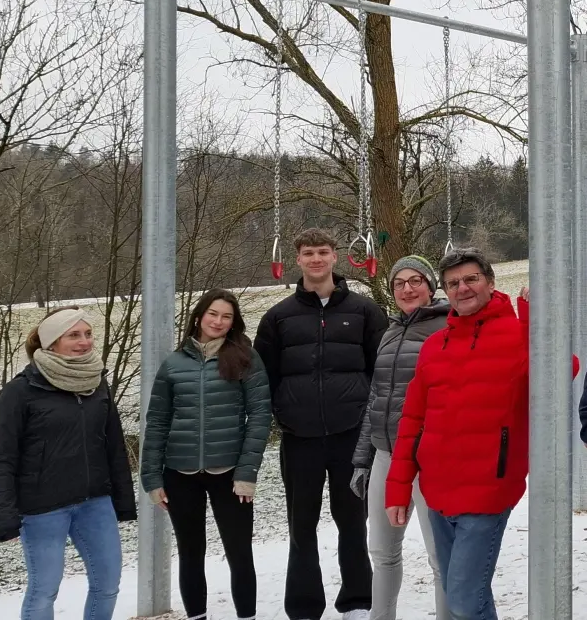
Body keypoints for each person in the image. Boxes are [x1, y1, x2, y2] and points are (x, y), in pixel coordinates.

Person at [384, 249, 530, 620]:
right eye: (453, 283)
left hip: (488, 488)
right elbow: (412, 420)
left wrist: (533, 322)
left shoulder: (516, 334)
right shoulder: (435, 346)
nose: (462, 288)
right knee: (462, 594)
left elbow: (560, 371)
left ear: (490, 282)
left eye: (470, 279)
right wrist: (399, 488)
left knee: (465, 599)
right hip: (439, 491)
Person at [254, 228, 389, 620]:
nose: (316, 259)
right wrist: (284, 416)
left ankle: (357, 602)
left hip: (352, 437)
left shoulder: (364, 311)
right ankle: (303, 607)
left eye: (323, 252)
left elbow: (380, 371)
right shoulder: (278, 317)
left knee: (352, 522)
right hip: (300, 439)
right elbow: (265, 377)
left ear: (336, 257)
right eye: (309, 253)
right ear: (298, 259)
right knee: (302, 526)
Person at [0, 307, 137, 620]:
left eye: (88, 334)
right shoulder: (20, 392)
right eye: (73, 335)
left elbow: (114, 448)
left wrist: (122, 501)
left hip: (95, 503)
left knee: (108, 585)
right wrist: (3, 516)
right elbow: (0, 458)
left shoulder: (97, 383)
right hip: (43, 509)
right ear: (51, 343)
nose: (84, 342)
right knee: (44, 592)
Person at [142, 289, 272, 620]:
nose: (218, 321)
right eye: (213, 314)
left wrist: (247, 473)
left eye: (226, 316)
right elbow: (157, 421)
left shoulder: (245, 358)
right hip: (179, 473)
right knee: (190, 553)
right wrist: (152, 476)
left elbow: (259, 417)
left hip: (230, 475)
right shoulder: (174, 363)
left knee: (240, 553)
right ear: (199, 316)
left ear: (233, 323)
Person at [350, 256, 450, 620]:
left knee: (440, 555)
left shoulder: (447, 327)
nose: (407, 289)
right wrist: (363, 459)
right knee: (382, 551)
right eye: (399, 283)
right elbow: (376, 399)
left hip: (427, 458)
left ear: (430, 285)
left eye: (415, 281)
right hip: (385, 455)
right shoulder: (390, 333)